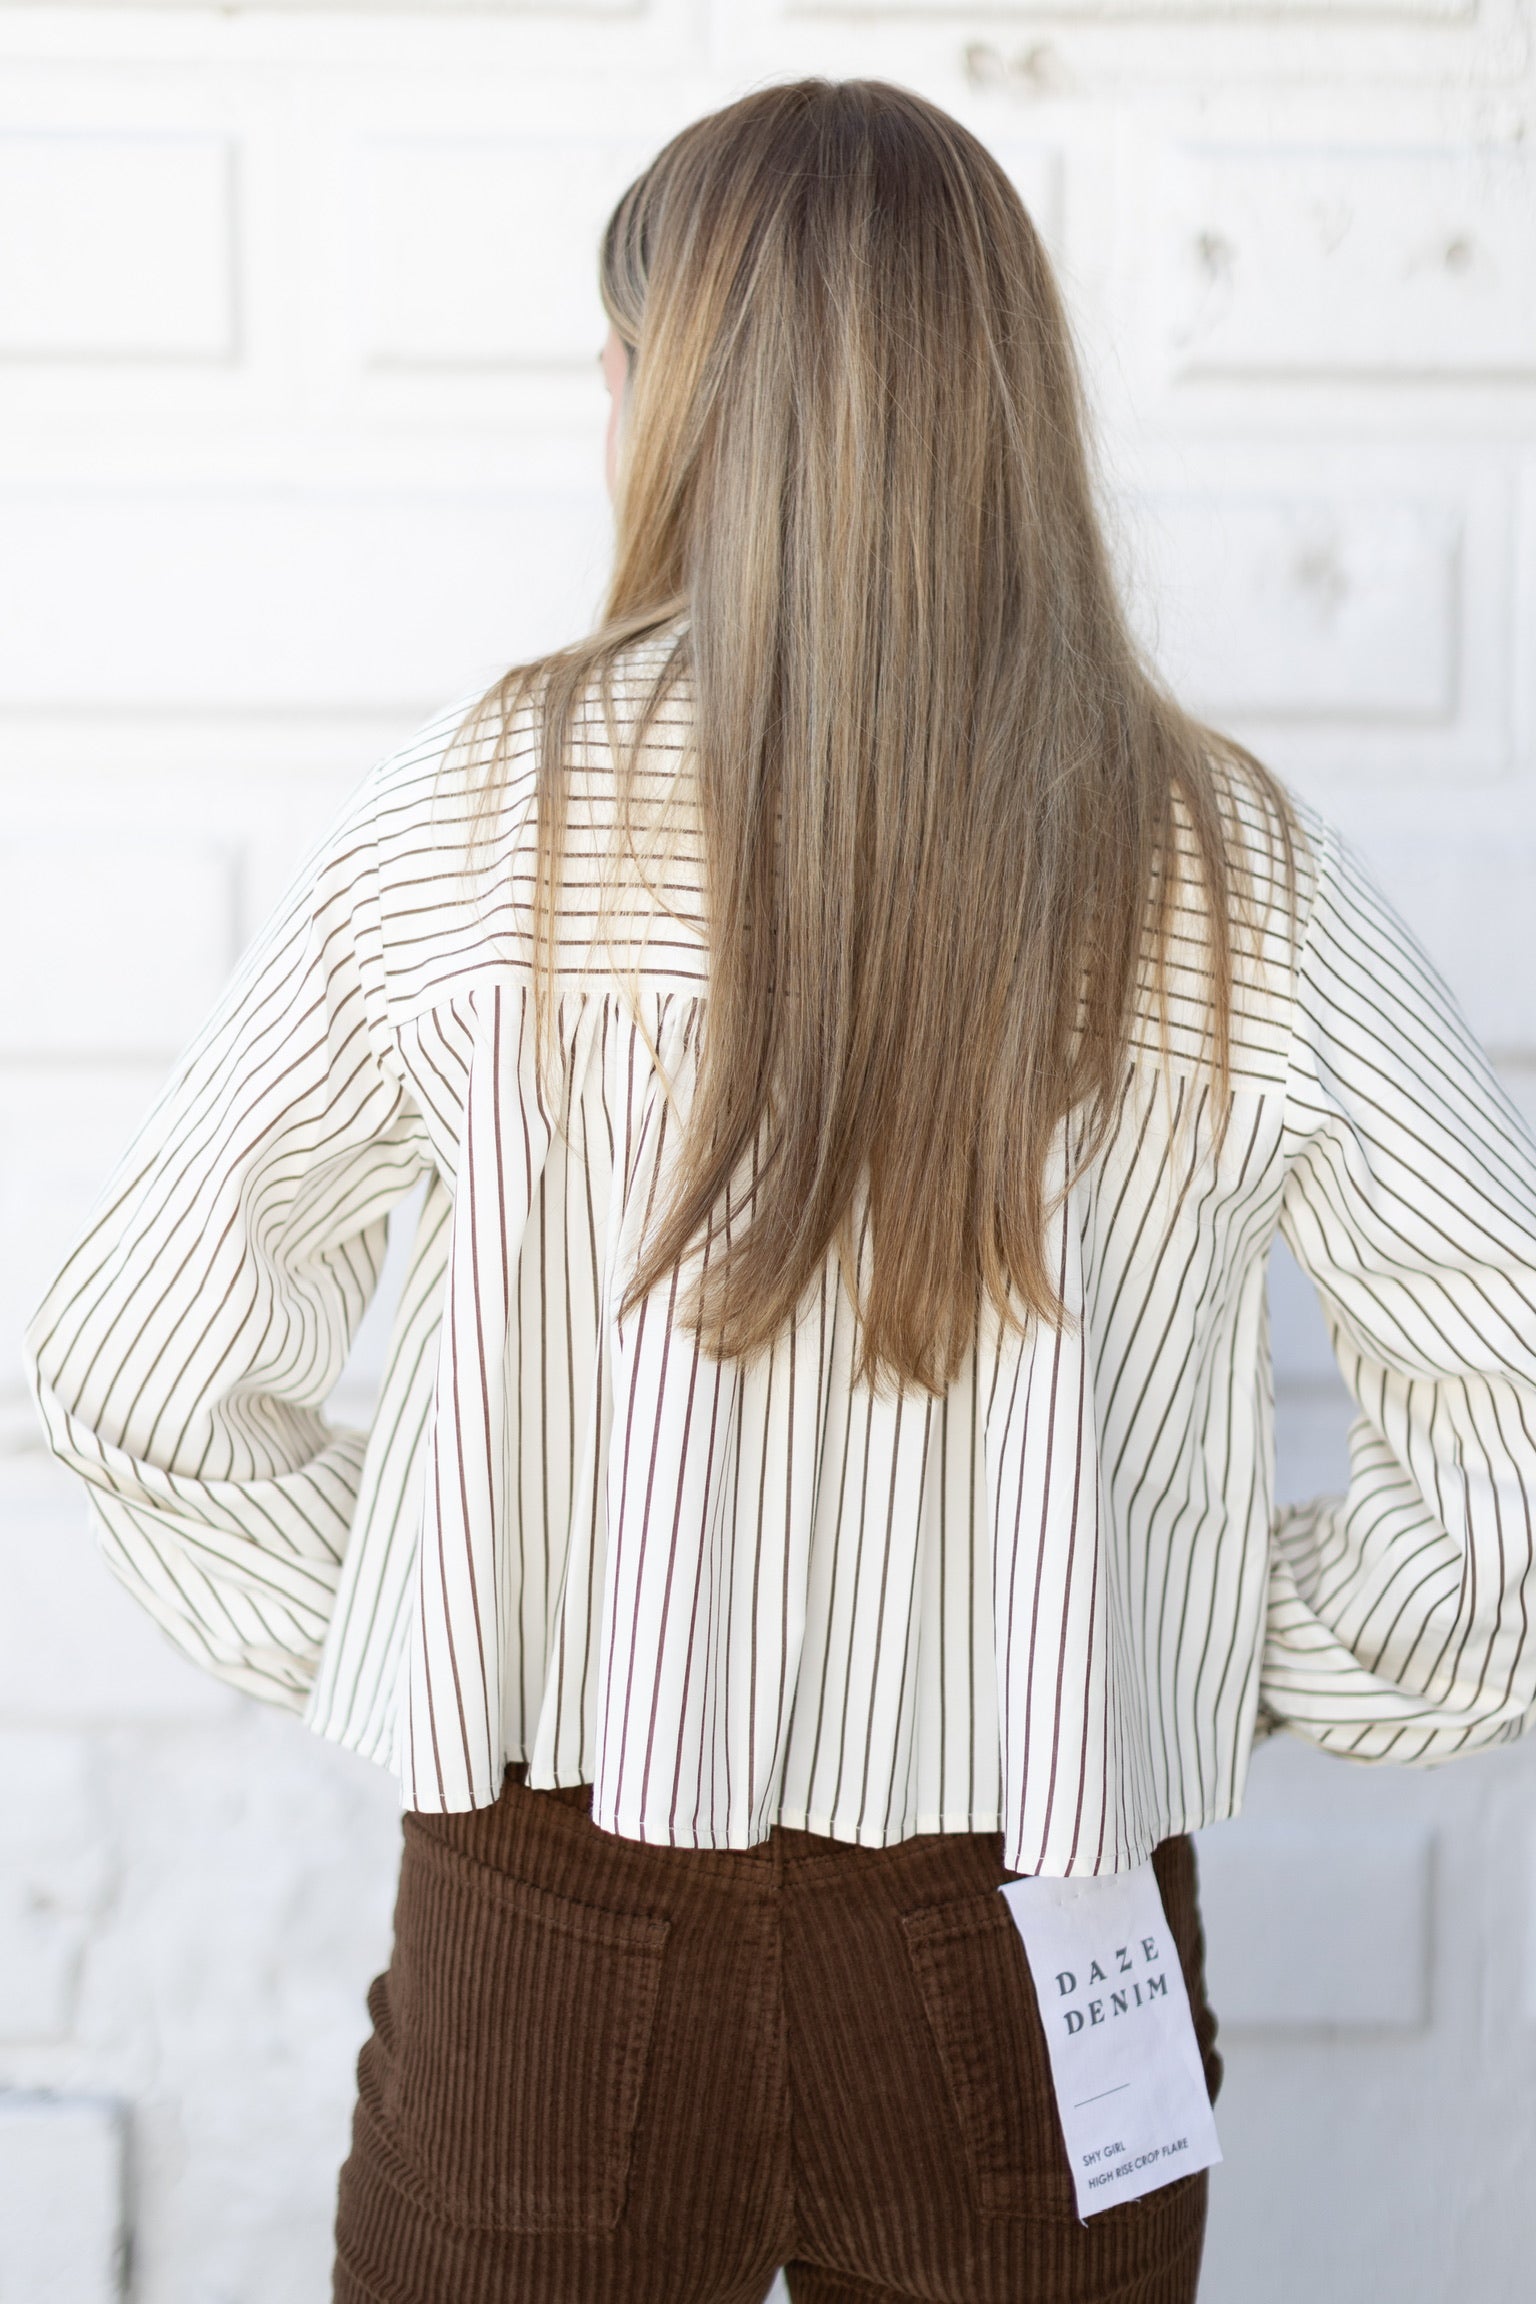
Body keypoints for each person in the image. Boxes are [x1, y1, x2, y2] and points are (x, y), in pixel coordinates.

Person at [24, 77, 1536, 2304]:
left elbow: (133, 1374)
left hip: (551, 1914)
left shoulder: (488, 823)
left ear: (665, 396)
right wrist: (1175, 1632)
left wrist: (477, 1609)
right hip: (1031, 1936)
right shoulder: (1228, 871)